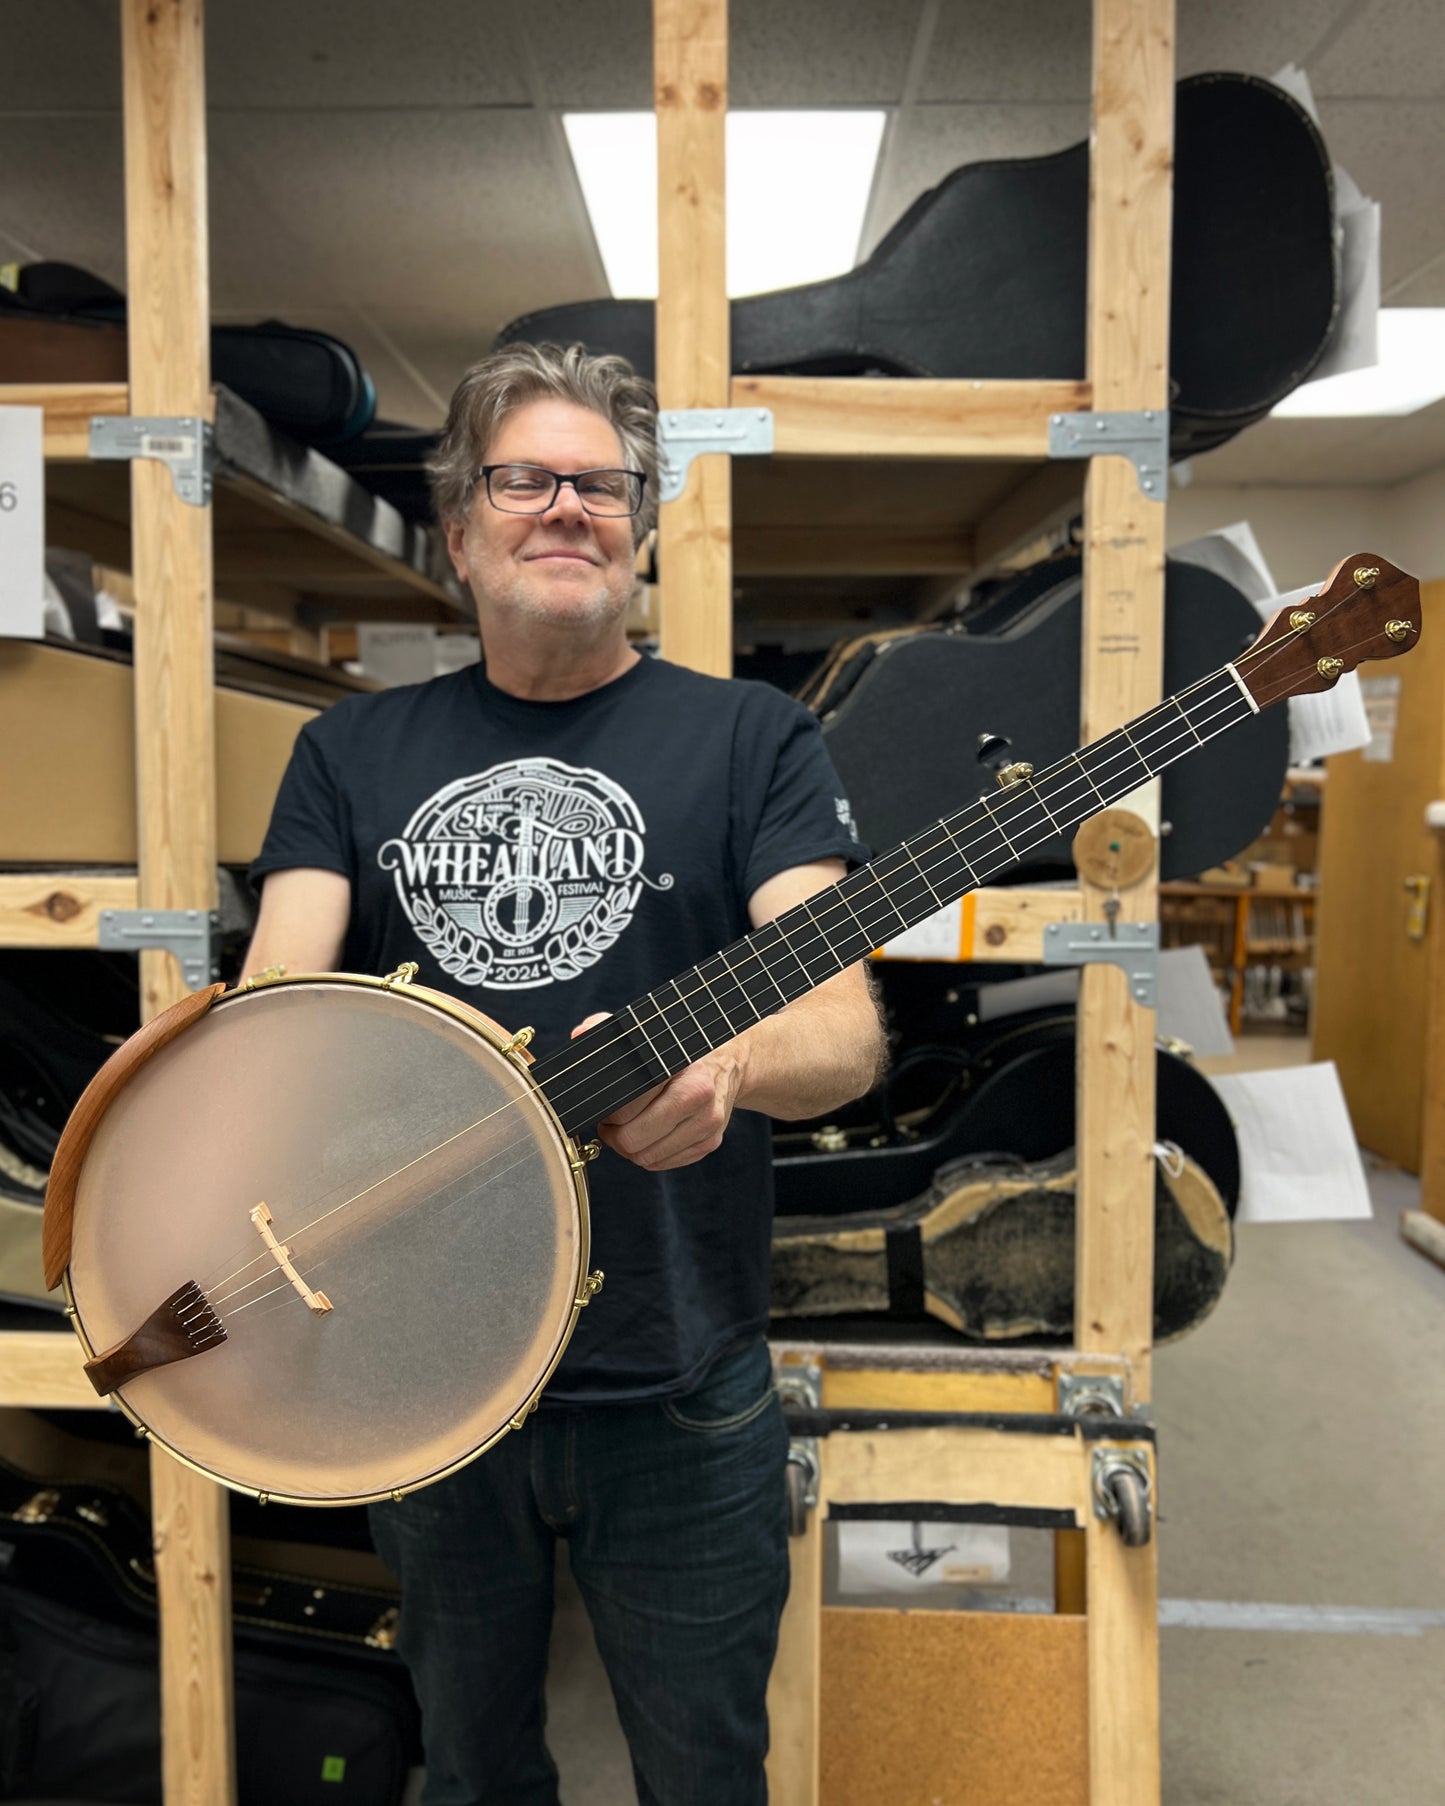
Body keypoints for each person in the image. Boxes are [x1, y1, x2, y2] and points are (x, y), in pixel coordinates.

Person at [244, 341, 886, 1806]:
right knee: (467, 1767)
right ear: (460, 530)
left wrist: (725, 1063)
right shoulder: (350, 751)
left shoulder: (753, 740)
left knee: (705, 1766)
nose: (565, 508)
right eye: (522, 479)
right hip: (426, 1370)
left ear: (640, 531)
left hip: (680, 1376)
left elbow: (842, 1032)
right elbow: (274, 1013)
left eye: (600, 486)